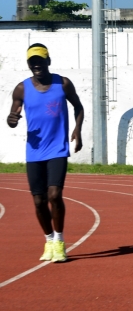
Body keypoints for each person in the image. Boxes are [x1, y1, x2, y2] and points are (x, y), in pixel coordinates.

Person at [7, 44, 84, 263]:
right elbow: (13, 116)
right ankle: (49, 239)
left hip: (57, 148)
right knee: (39, 201)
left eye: (40, 60)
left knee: (54, 195)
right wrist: (11, 120)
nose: (36, 65)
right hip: (34, 151)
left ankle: (59, 241)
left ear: (48, 61)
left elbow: (78, 107)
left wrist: (77, 130)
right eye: (32, 62)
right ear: (28, 64)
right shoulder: (21, 89)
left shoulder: (63, 84)